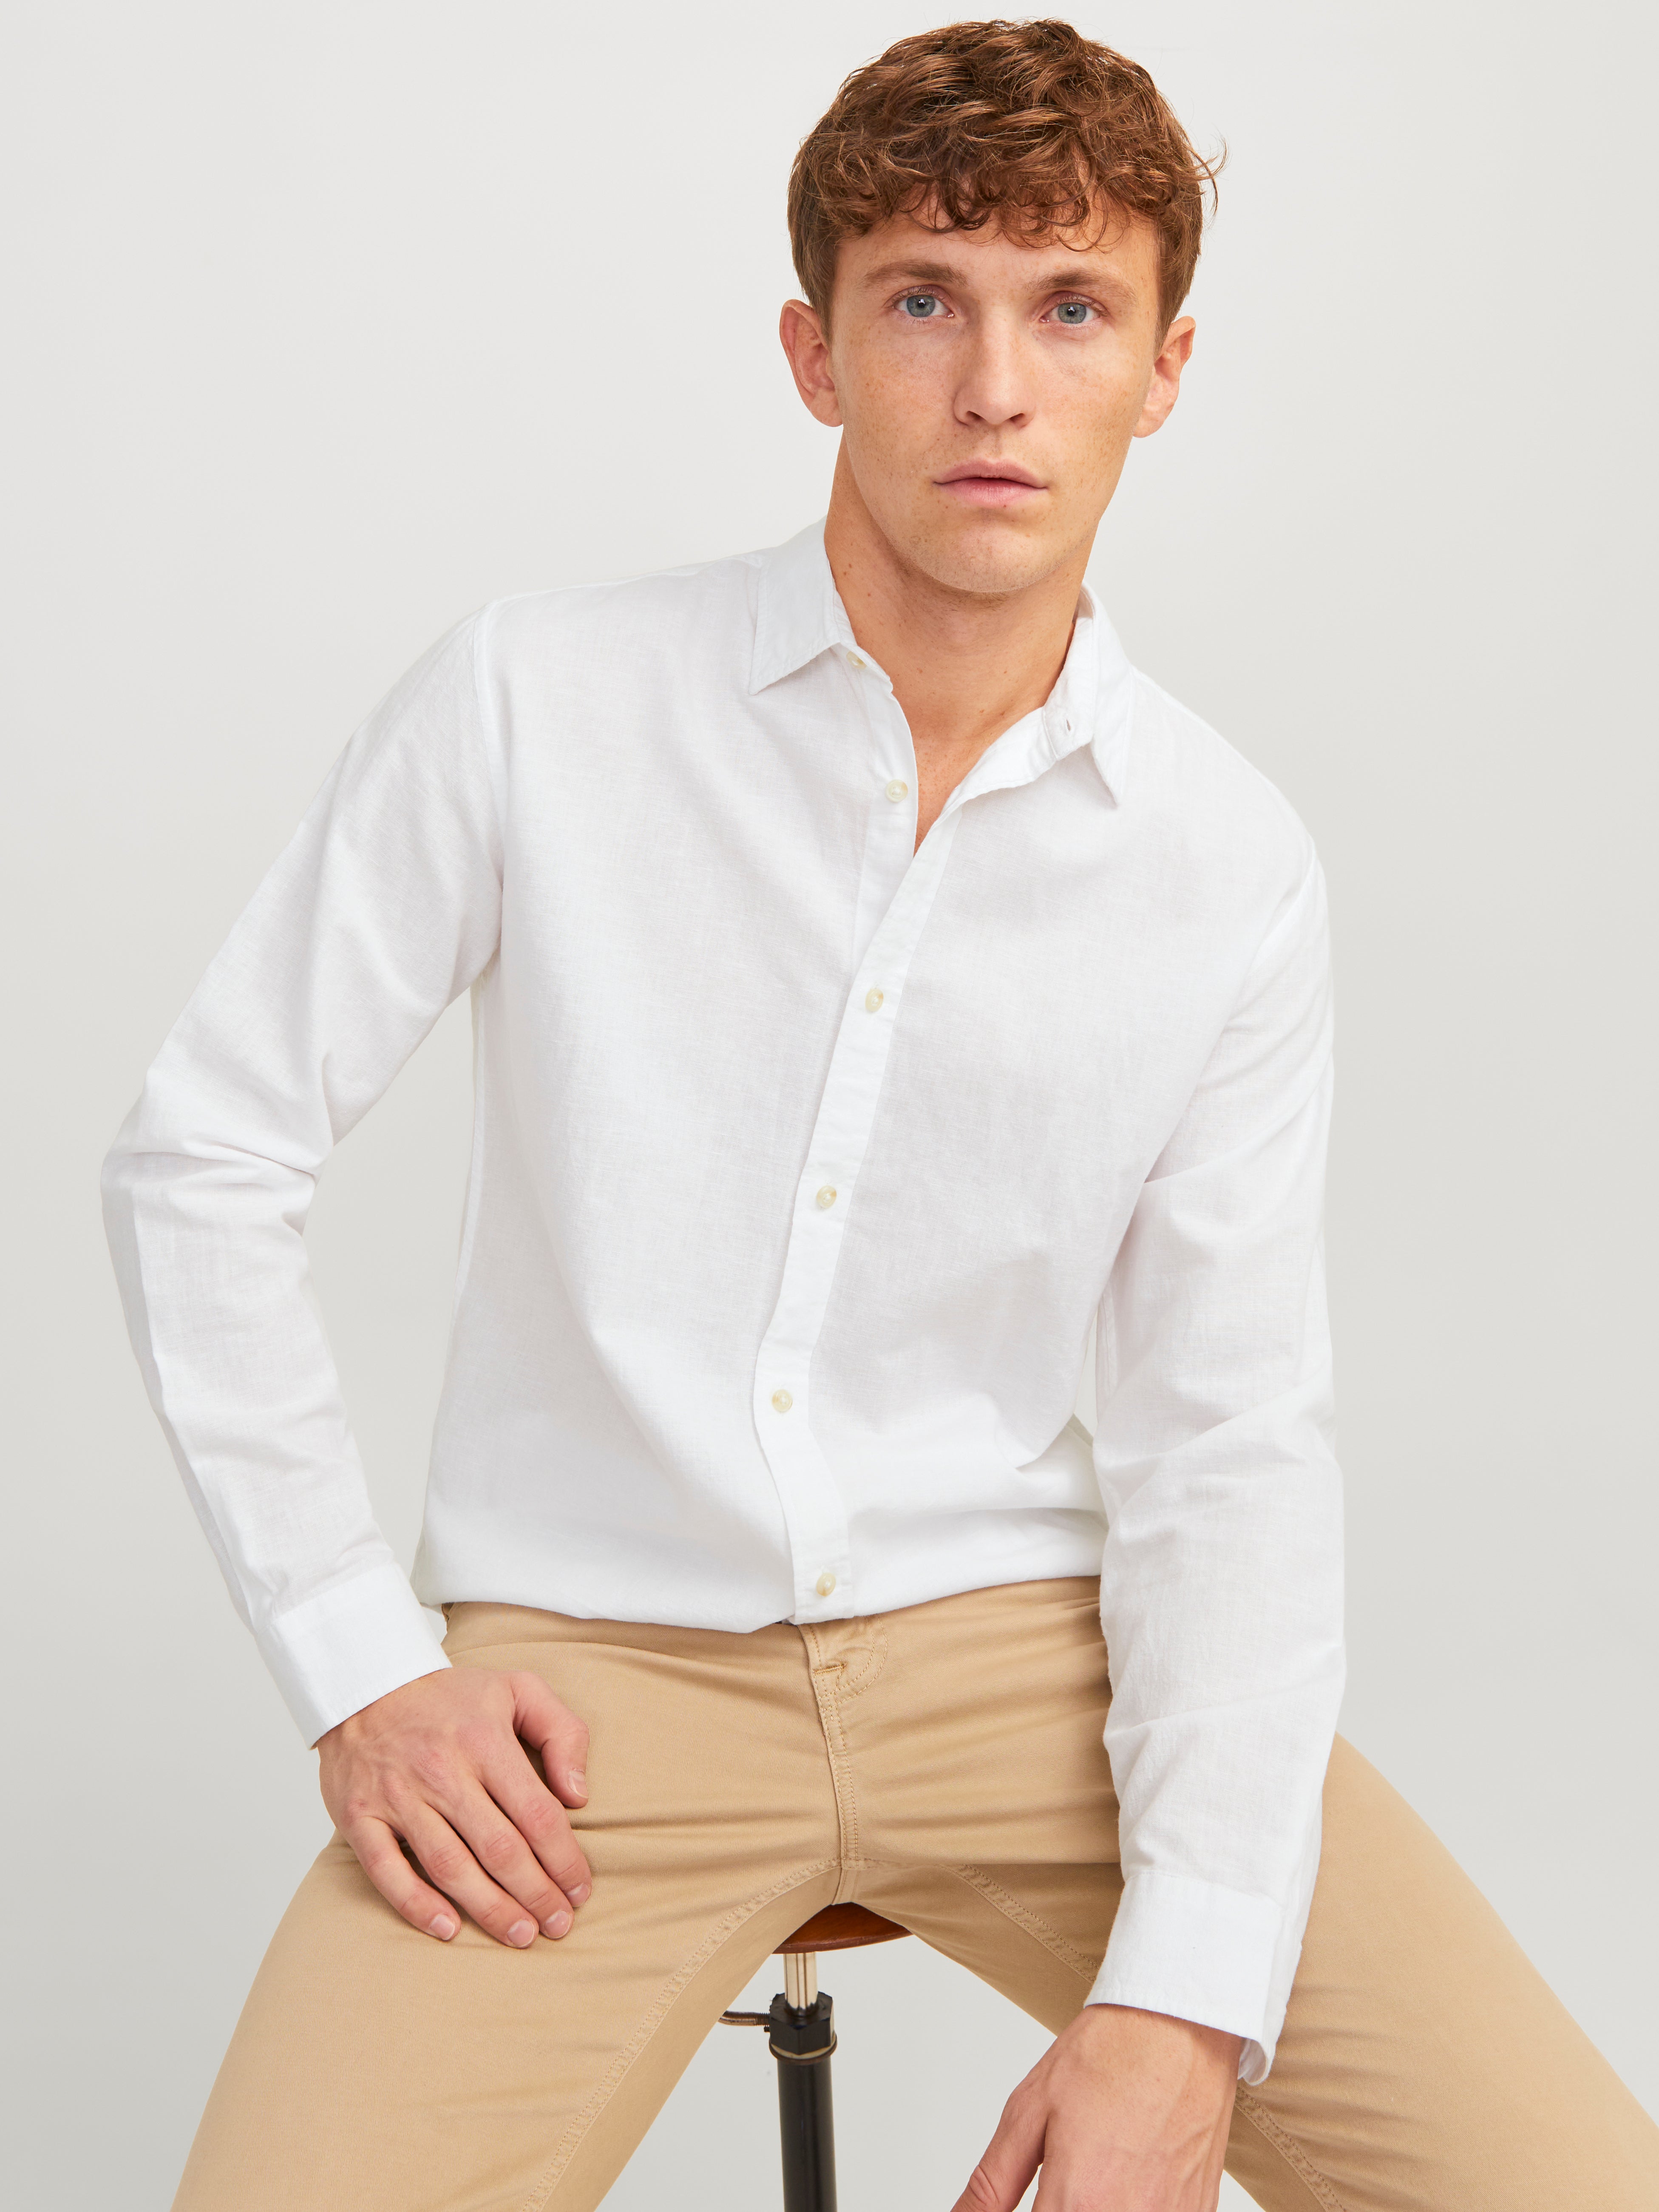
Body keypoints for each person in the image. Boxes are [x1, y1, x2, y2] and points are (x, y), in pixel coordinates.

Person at [102, 19, 1658, 2212]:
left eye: (1071, 310)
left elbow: (1224, 1439)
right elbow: (203, 1158)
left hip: (1031, 1668)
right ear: (814, 353)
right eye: (925, 300)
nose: (996, 387)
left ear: (1166, 370)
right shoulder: (538, 701)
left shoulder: (1224, 864)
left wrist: (1186, 2003)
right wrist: (360, 1666)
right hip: (591, 1685)